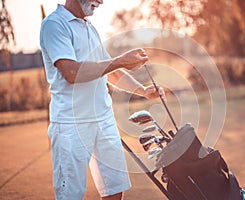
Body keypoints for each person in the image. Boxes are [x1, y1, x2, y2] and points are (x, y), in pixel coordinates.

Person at [40, 0, 163, 199]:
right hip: (71, 124)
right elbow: (71, 72)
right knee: (70, 194)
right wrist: (121, 60)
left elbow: (110, 71)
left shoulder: (90, 27)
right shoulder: (54, 24)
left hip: (104, 120)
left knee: (114, 189)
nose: (101, 1)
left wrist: (142, 90)